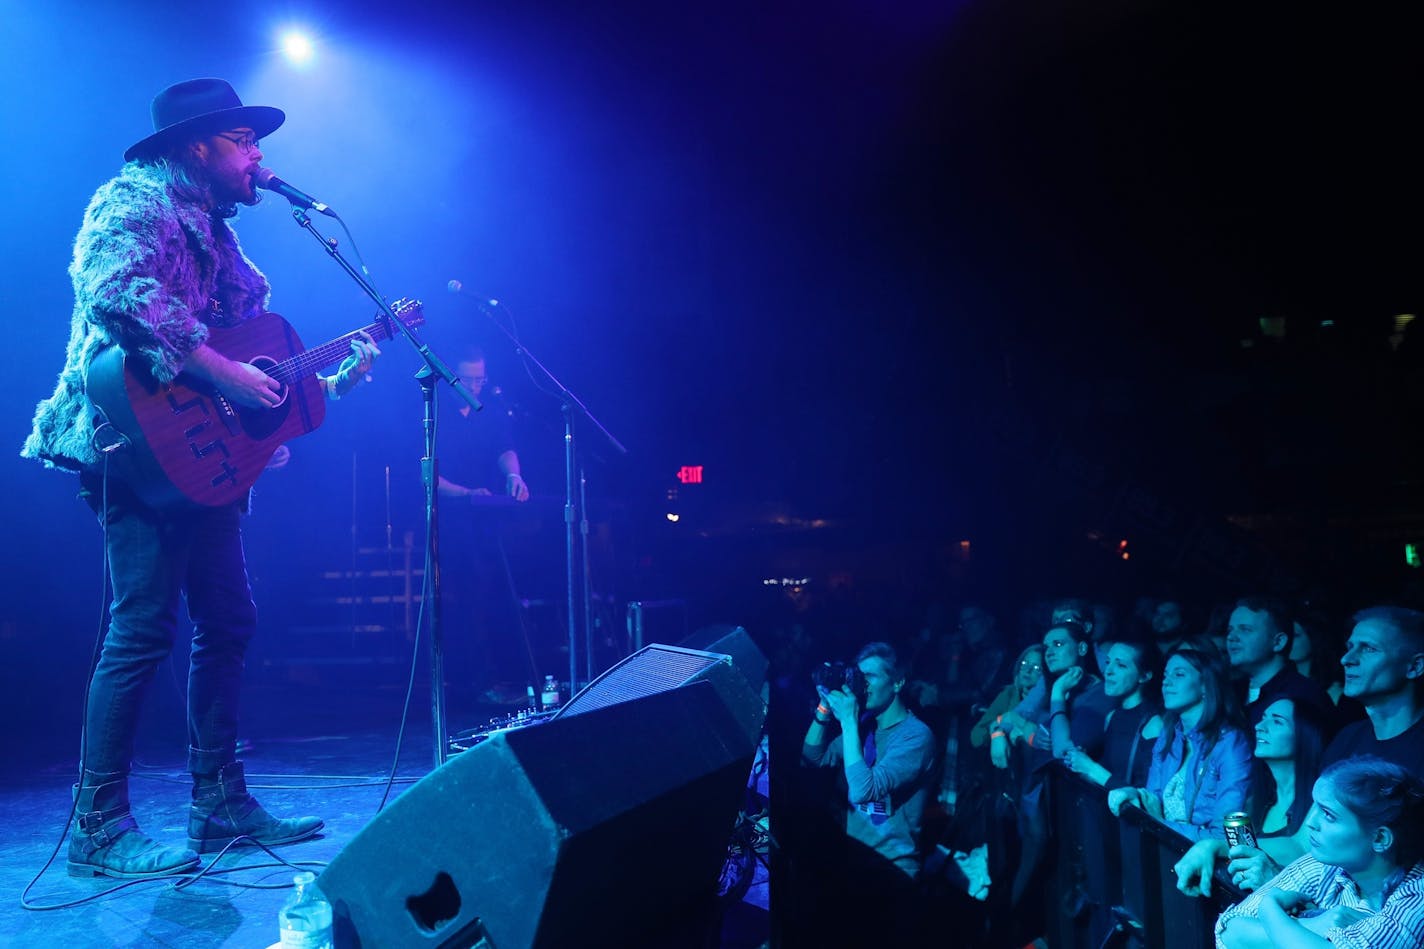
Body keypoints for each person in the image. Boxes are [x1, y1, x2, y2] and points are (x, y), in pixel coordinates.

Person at [20, 78, 380, 879]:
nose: (259, 157)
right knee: (142, 627)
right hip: (127, 446)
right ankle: (98, 825)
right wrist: (225, 377)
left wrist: (264, 420)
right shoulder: (134, 203)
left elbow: (242, 347)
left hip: (196, 458)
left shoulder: (218, 235)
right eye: (245, 142)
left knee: (230, 617)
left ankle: (218, 802)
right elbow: (116, 293)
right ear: (198, 147)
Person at [1212, 756, 1424, 949]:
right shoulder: (1325, 864)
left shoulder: (1417, 899)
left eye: (1329, 815)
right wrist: (1311, 925)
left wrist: (1270, 910)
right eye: (1315, 807)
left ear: (1379, 838)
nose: (1311, 823)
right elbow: (1228, 931)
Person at [802, 641, 937, 877]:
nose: (862, 685)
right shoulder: (864, 726)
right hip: (854, 856)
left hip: (892, 868)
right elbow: (813, 759)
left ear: (897, 682)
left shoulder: (916, 736)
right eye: (859, 676)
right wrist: (824, 706)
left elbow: (864, 791)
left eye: (870, 677)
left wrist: (848, 721)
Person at [1172, 696, 1331, 894]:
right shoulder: (1257, 799)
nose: (1260, 726)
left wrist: (1216, 846)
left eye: (1277, 721)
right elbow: (1241, 853)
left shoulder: (1322, 799)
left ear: (1305, 736)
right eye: (1263, 718)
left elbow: (1299, 848)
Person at [1107, 645, 1253, 840]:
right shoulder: (1169, 735)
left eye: (1179, 674)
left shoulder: (1231, 743)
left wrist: (1161, 825)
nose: (1167, 682)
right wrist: (1136, 796)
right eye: (1166, 675)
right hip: (1165, 848)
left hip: (1205, 863)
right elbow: (1154, 798)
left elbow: (1228, 836)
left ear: (1204, 685)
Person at [1320, 606, 1424, 776]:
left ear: (1415, 666)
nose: (1346, 659)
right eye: (1350, 647)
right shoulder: (1346, 740)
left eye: (1369, 649)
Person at [1061, 638, 1164, 791]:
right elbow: (1109, 777)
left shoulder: (1153, 723)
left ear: (1145, 676)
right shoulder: (1112, 716)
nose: (1108, 671)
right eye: (1108, 662)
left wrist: (1090, 767)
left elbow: (1145, 795)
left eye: (1121, 665)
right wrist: (1081, 763)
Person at [436, 345, 529, 503]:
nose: (473, 387)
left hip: (487, 509)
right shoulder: (434, 413)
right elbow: (424, 476)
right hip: (444, 511)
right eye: (466, 380)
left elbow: (505, 448)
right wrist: (467, 494)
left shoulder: (491, 413)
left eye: (479, 380)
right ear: (450, 376)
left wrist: (513, 475)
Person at [1225, 597, 1334, 730]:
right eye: (1230, 630)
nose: (1231, 637)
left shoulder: (1305, 696)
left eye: (1245, 629)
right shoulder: (1230, 693)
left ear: (1278, 642)